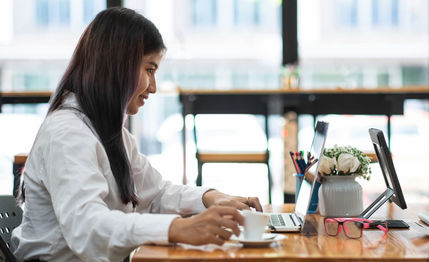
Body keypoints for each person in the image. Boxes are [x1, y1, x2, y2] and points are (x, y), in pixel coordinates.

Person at [11, 7, 262, 262]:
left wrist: (211, 198)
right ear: (118, 66)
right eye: (150, 70)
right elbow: (87, 226)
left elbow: (155, 194)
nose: (153, 87)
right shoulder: (67, 133)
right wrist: (178, 228)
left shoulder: (108, 131)